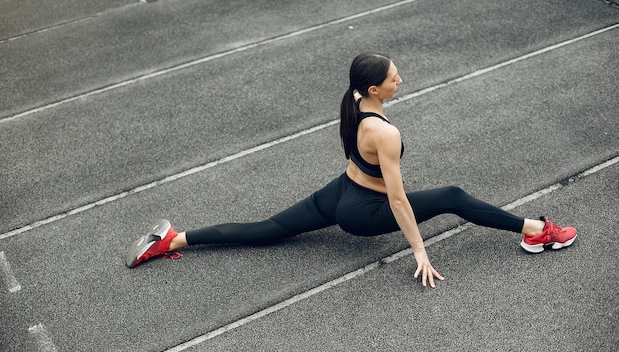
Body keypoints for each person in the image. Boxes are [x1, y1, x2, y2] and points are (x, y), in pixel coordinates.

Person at [127, 52, 577, 288]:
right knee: (453, 197)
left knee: (268, 229)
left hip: (340, 191)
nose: (401, 80)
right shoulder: (385, 133)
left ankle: (171, 240)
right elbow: (397, 199)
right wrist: (419, 250)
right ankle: (536, 229)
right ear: (373, 87)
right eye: (394, 78)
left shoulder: (355, 103)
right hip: (362, 212)